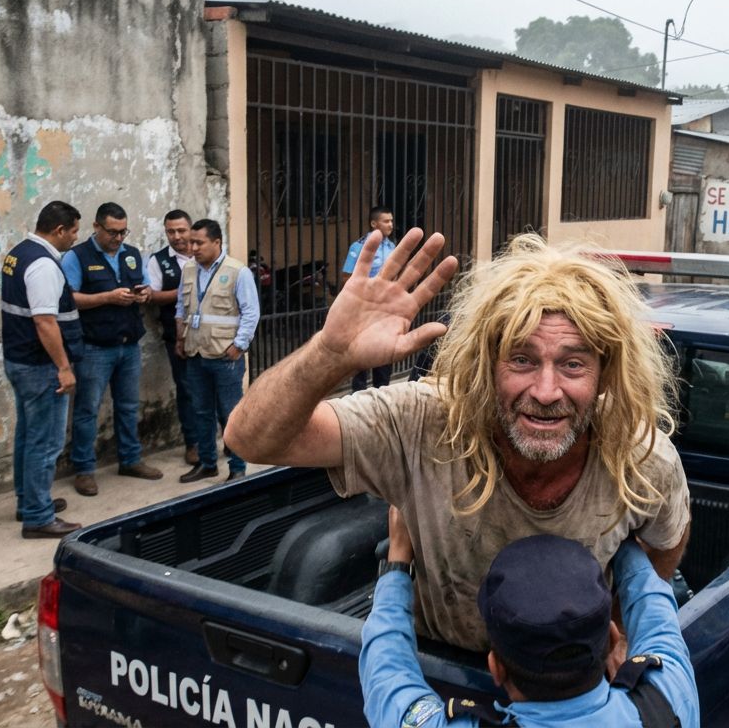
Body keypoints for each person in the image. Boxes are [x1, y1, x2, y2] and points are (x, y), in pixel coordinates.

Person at [225, 231, 692, 655]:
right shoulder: (424, 420)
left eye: (573, 365)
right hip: (438, 671)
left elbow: (668, 537)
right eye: (522, 359)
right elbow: (250, 440)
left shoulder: (640, 456)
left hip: (570, 681)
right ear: (485, 364)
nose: (546, 392)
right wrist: (330, 355)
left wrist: (618, 625)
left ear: (606, 372)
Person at [359, 508, 699, 727]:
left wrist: (398, 560)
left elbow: (386, 670)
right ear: (613, 638)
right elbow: (652, 604)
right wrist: (620, 530)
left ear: (496, 667)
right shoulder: (667, 702)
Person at [61, 203, 164, 496]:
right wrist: (106, 297)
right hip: (94, 347)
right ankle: (84, 470)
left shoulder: (131, 255)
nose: (118, 238)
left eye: (123, 232)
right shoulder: (77, 257)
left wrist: (144, 294)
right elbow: (69, 299)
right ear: (96, 227)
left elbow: (144, 287)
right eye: (112, 232)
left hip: (129, 345)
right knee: (87, 411)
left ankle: (130, 460)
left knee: (129, 407)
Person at [0, 202, 85, 539]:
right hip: (40, 366)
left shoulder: (18, 253)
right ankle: (37, 516)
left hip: (19, 360)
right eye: (74, 231)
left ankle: (28, 500)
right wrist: (64, 368)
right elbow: (45, 322)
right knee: (45, 442)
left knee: (27, 435)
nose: (76, 238)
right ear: (60, 230)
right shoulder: (44, 265)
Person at [175, 219, 260, 483]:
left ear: (216, 243)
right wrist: (180, 338)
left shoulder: (238, 271)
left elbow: (251, 313)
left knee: (231, 414)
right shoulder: (189, 269)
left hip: (226, 356)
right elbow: (181, 306)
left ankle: (237, 468)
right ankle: (207, 463)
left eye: (198, 242)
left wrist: (239, 345)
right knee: (200, 411)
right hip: (196, 353)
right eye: (191, 242)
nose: (193, 248)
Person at [146, 210, 200, 466]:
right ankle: (194, 444)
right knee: (187, 389)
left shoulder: (206, 253)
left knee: (216, 388)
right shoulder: (159, 261)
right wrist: (185, 291)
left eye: (181, 230)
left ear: (190, 229)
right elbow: (152, 296)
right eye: (171, 231)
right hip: (176, 337)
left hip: (211, 337)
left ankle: (226, 439)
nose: (177, 236)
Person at [341, 206, 397, 391]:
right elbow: (347, 276)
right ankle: (359, 394)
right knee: (362, 353)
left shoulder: (392, 247)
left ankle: (383, 392)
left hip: (387, 308)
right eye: (386, 221)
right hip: (364, 309)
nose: (391, 224)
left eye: (391, 220)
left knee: (385, 350)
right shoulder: (358, 247)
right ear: (374, 223)